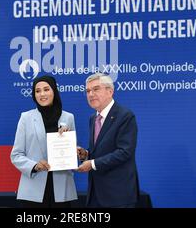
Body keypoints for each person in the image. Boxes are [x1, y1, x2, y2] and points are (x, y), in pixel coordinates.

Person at [11, 75, 77, 207]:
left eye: (46, 89)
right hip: (33, 190)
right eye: (37, 91)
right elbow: (16, 155)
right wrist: (35, 166)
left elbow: (72, 154)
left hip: (62, 189)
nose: (42, 94)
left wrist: (75, 151)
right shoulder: (26, 118)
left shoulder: (68, 117)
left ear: (54, 91)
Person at [77, 73, 140, 207]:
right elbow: (101, 149)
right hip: (95, 194)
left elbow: (124, 152)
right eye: (88, 91)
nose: (91, 94)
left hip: (118, 195)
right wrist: (86, 154)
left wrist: (92, 164)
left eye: (96, 89)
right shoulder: (93, 118)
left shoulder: (125, 116)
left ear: (110, 91)